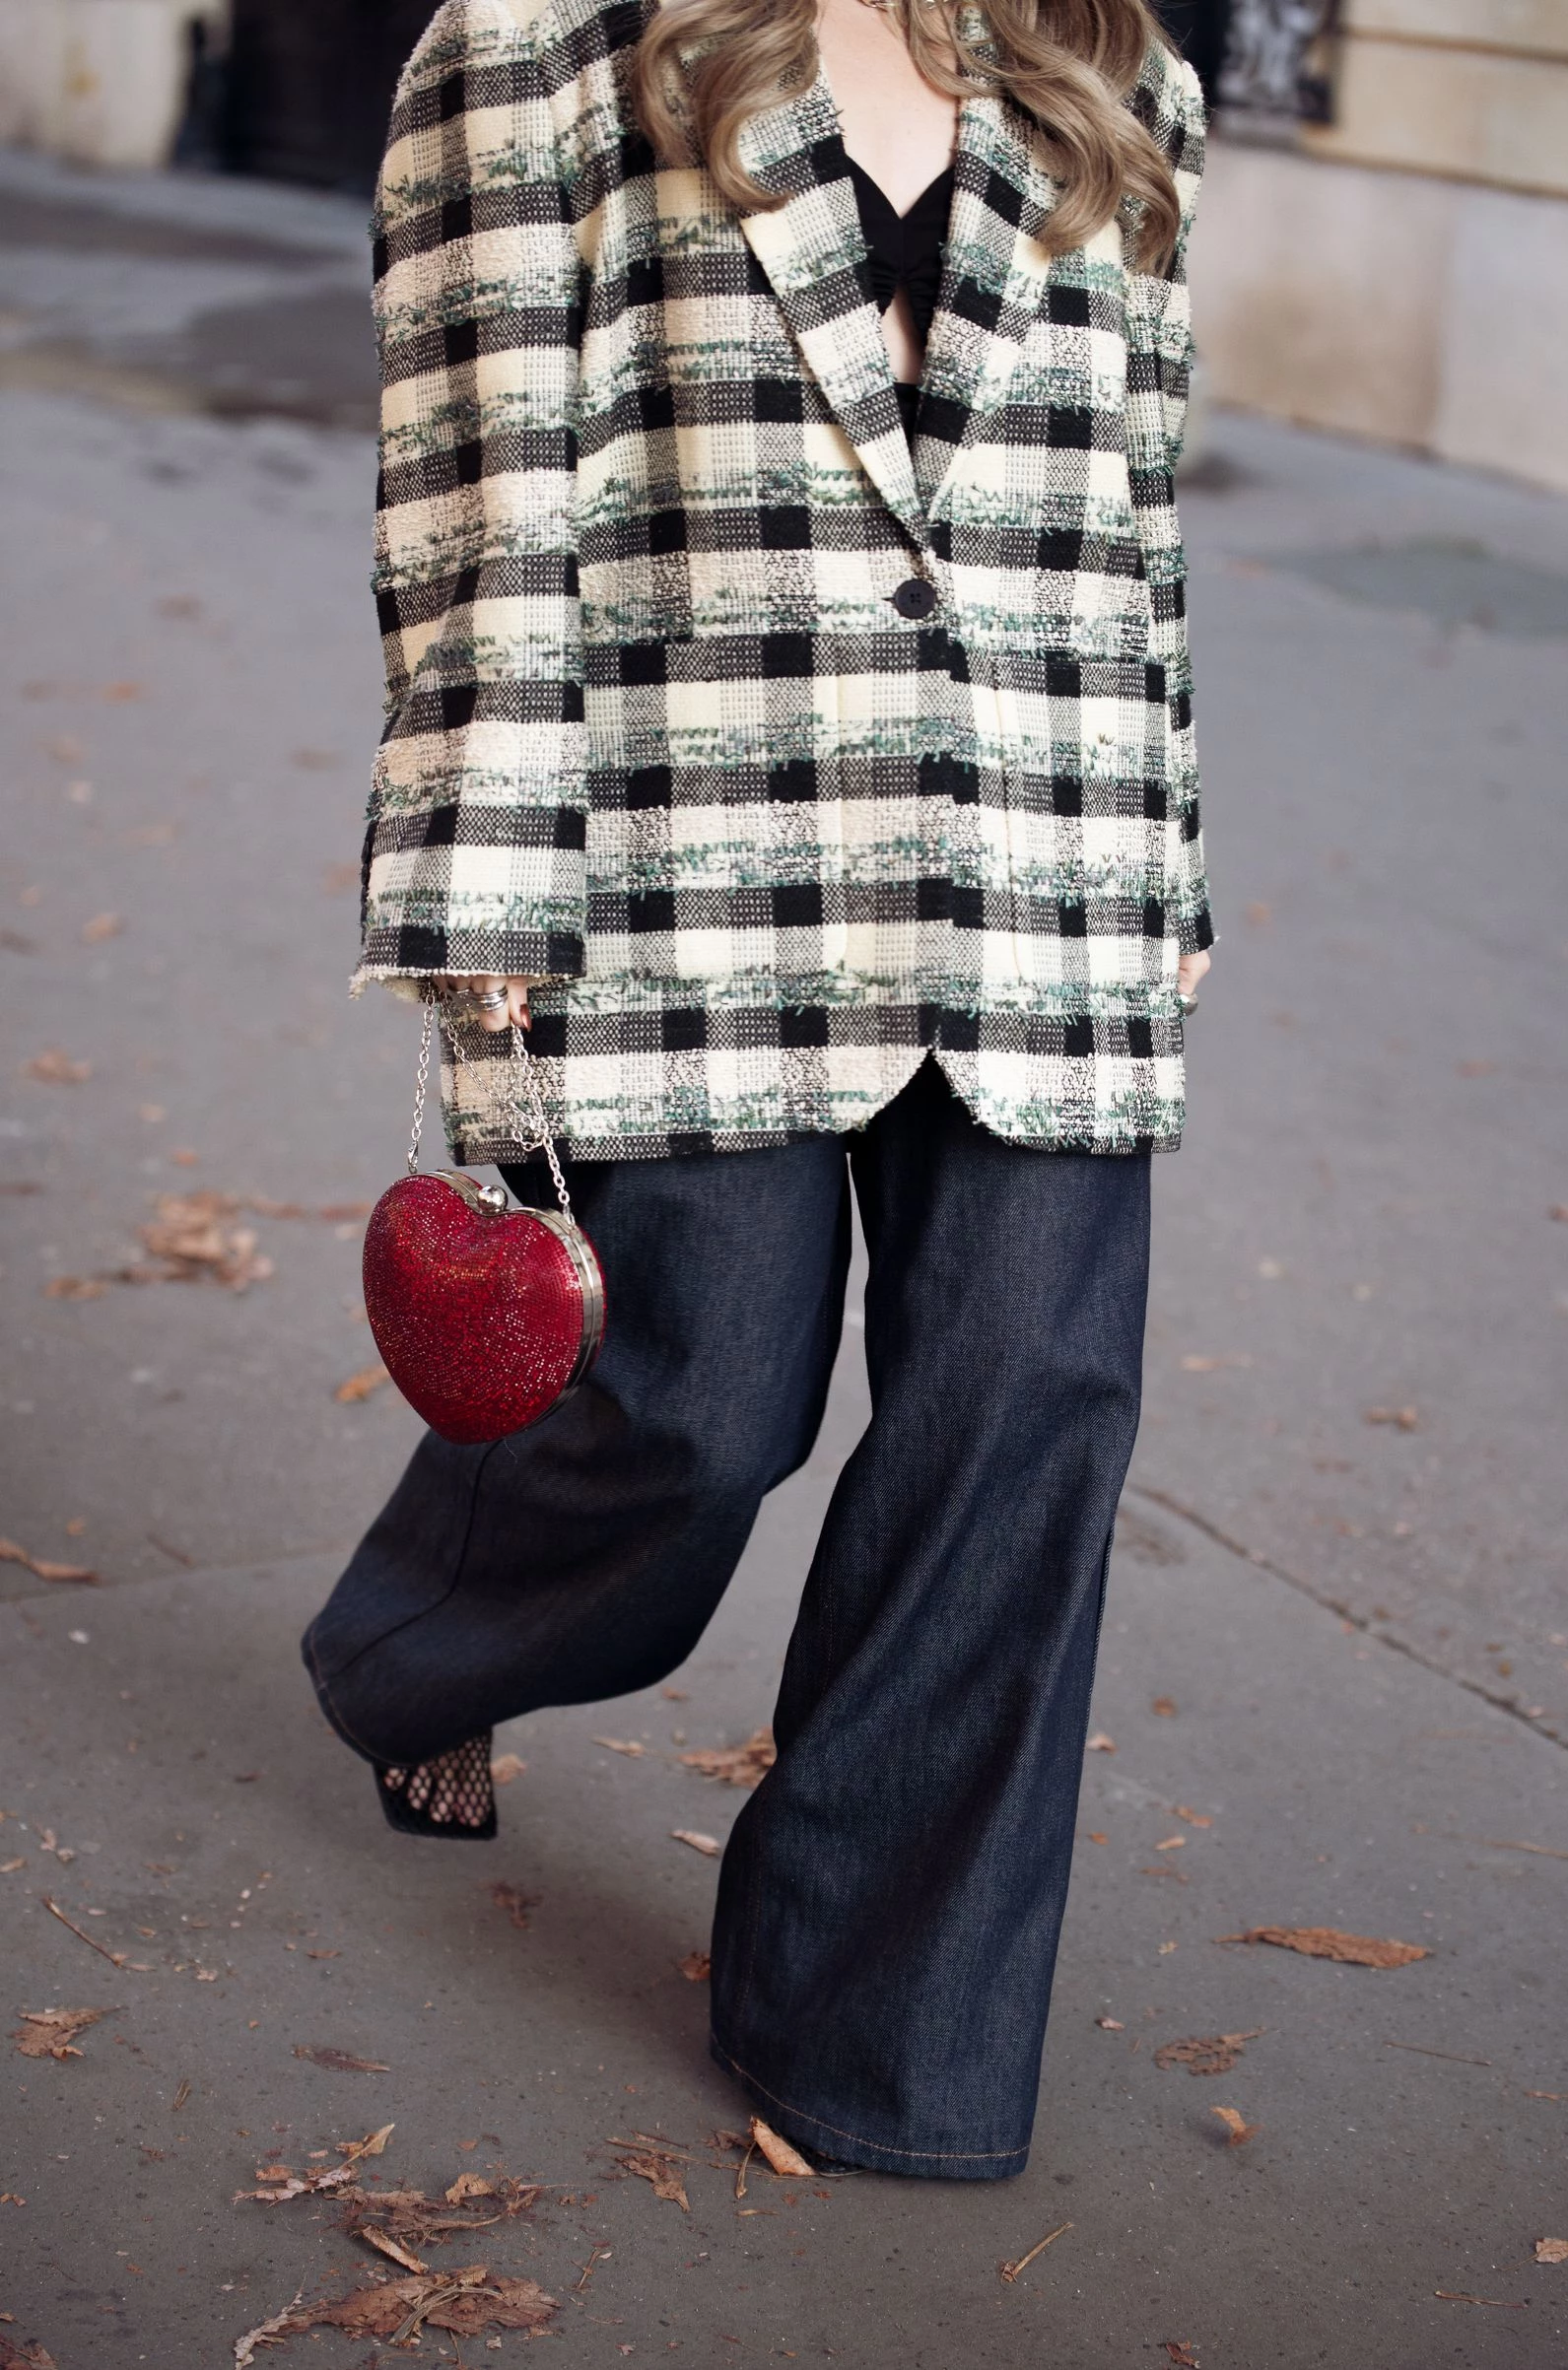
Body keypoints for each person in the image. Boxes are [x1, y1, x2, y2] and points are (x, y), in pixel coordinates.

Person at [304, 0, 1212, 2180]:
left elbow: (1130, 522)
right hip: (694, 861)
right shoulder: (534, 55)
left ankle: (875, 2040)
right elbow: (478, 522)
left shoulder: (1124, 82)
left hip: (1043, 871)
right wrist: (479, 910)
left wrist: (1171, 843)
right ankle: (417, 1651)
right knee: (695, 1401)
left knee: (1026, 1419)